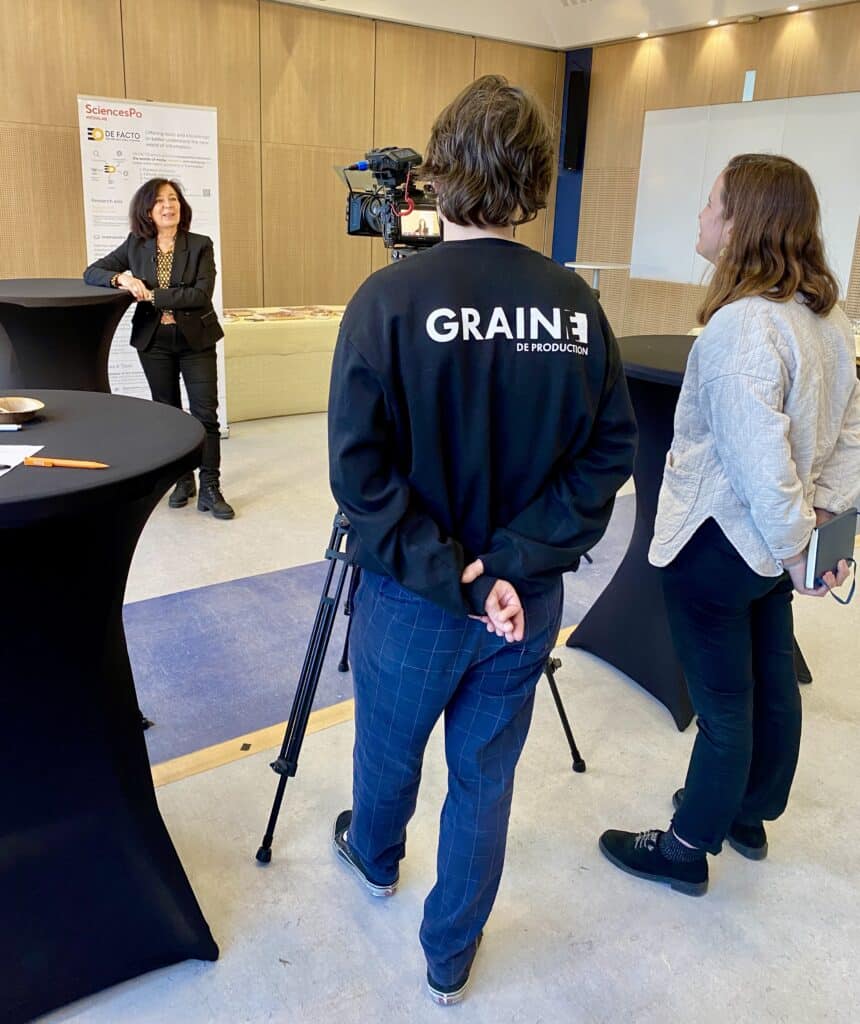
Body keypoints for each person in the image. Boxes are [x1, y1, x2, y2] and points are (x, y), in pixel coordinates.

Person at [327, 75, 637, 1004]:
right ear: (536, 177)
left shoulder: (386, 303)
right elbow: (608, 456)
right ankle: (448, 957)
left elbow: (360, 477)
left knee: (388, 748)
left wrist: (458, 570)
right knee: (485, 779)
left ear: (437, 171)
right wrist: (508, 566)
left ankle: (376, 859)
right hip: (525, 601)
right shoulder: (576, 311)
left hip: (418, 596)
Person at [599, 154, 860, 896]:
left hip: (719, 544)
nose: (701, 216)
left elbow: (758, 462)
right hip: (769, 548)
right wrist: (820, 532)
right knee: (771, 680)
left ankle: (686, 846)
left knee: (723, 706)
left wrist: (799, 546)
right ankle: (748, 813)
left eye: (711, 203)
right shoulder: (828, 319)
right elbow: (851, 437)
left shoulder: (741, 328)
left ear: (740, 222)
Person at [84, 178, 234, 519]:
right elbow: (92, 272)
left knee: (205, 414)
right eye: (161, 202)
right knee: (169, 414)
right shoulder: (136, 245)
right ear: (147, 211)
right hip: (154, 342)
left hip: (196, 339)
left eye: (174, 199)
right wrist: (121, 278)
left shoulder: (199, 245)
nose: (169, 206)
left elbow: (200, 295)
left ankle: (210, 486)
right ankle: (183, 481)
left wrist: (151, 294)